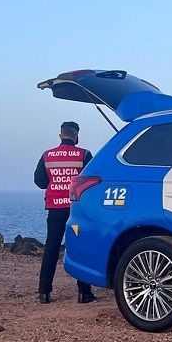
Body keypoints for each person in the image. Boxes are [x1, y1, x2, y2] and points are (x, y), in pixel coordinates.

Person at [33, 121, 96, 304]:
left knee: (51, 248)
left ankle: (44, 292)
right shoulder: (83, 154)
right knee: (79, 247)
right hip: (76, 207)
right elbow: (90, 180)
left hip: (55, 207)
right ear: (76, 136)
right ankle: (84, 293)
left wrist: (55, 182)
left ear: (60, 135)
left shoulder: (48, 155)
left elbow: (40, 181)